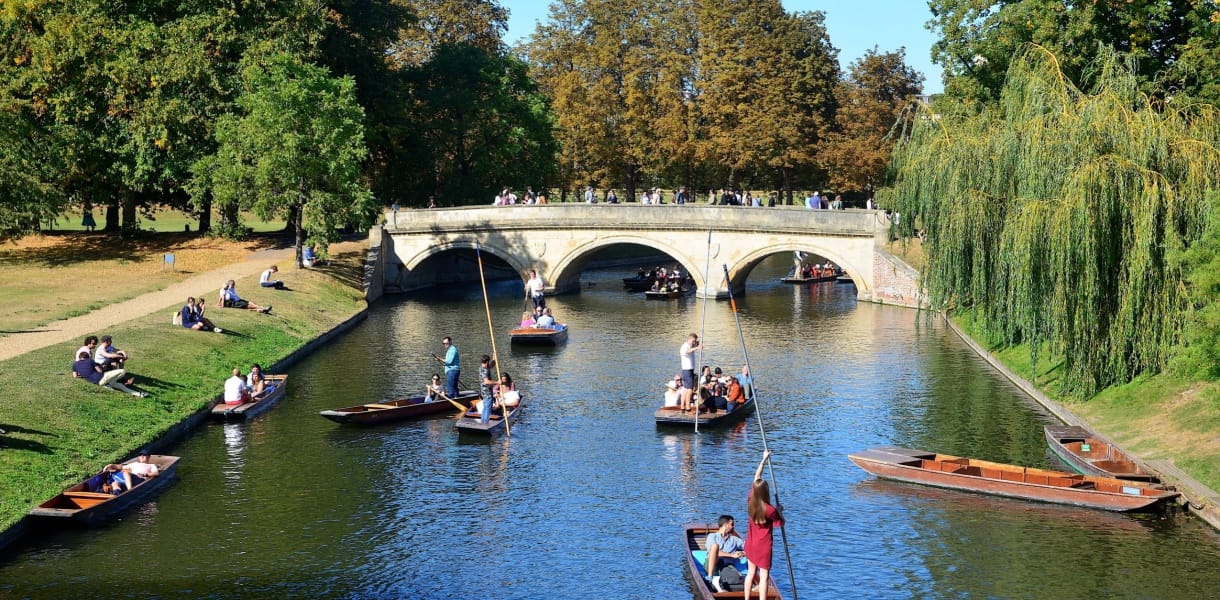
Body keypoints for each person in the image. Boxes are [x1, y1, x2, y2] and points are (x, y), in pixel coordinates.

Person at [744, 451, 784, 600]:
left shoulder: (750, 501)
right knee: (764, 576)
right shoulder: (770, 510)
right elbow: (780, 522)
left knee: (750, 573)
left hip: (751, 543)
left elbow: (756, 478)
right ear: (765, 492)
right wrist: (780, 511)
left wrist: (763, 460)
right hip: (763, 546)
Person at [72, 351, 147, 396]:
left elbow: (75, 376)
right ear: (87, 357)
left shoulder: (75, 364)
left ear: (79, 357)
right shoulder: (90, 361)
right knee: (122, 371)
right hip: (101, 378)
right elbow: (100, 371)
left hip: (97, 382)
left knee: (120, 386)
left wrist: (85, 374)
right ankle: (110, 383)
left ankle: (138, 394)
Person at [705, 515, 746, 590]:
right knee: (715, 546)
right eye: (732, 524)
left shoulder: (734, 539)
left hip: (726, 566)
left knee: (736, 577)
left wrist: (742, 553)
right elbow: (714, 552)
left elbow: (749, 547)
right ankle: (710, 577)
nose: (733, 527)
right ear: (725, 525)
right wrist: (732, 555)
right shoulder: (712, 536)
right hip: (713, 564)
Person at [679, 333, 700, 410]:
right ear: (689, 339)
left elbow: (692, 349)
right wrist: (697, 347)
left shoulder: (690, 346)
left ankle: (682, 406)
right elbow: (688, 351)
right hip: (687, 371)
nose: (694, 342)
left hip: (689, 370)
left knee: (685, 389)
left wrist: (697, 345)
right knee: (690, 389)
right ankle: (688, 406)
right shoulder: (685, 346)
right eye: (693, 341)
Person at [477, 354, 496, 424]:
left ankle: (483, 422)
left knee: (485, 408)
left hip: (483, 392)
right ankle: (485, 423)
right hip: (487, 392)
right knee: (488, 408)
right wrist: (497, 382)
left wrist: (494, 357)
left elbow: (491, 365)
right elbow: (486, 381)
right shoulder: (485, 370)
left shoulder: (481, 368)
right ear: (487, 361)